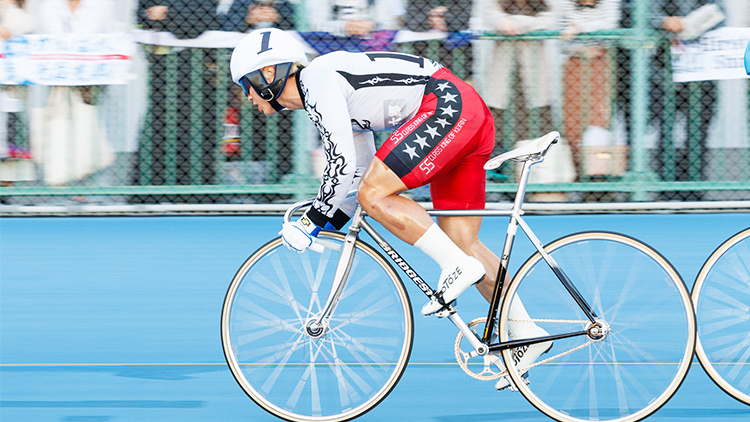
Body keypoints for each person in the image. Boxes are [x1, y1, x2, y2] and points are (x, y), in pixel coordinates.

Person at [229, 27, 551, 391]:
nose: (247, 98)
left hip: (446, 105)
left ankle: (456, 267)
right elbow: (356, 173)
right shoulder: (323, 93)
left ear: (267, 74)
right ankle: (527, 332)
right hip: (465, 111)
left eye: (246, 86)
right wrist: (328, 220)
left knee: (379, 197)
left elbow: (343, 163)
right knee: (462, 242)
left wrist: (312, 219)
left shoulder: (316, 80)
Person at [481, 0, 557, 176]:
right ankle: (502, 179)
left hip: (533, 73)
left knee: (536, 126)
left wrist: (515, 23)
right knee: (499, 126)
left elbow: (550, 19)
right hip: (505, 72)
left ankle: (534, 178)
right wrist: (503, 22)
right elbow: (490, 16)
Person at [560, 0, 621, 178]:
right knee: (573, 121)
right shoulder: (567, 3)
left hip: (601, 60)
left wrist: (578, 27)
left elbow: (610, 25)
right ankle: (577, 172)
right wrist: (583, 47)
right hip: (574, 62)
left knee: (599, 118)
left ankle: (598, 174)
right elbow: (563, 36)